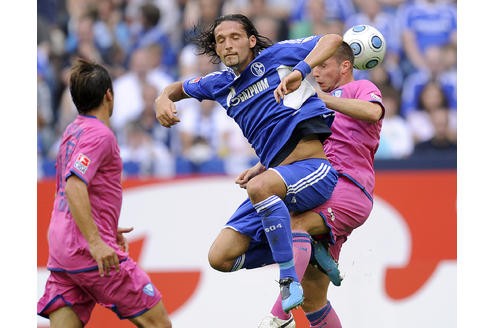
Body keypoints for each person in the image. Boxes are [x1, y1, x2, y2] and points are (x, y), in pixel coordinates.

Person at [154, 13, 342, 312]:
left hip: (313, 170)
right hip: (273, 182)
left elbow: (333, 39)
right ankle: (305, 245)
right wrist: (162, 97)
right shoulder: (218, 84)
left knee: (258, 186)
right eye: (220, 40)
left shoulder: (277, 56)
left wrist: (300, 71)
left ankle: (288, 279)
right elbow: (178, 88)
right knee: (220, 258)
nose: (228, 45)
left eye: (235, 37)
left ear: (251, 41)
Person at [256, 42, 385, 327]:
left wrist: (321, 98)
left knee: (296, 225)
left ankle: (278, 318)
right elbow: (300, 143)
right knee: (314, 297)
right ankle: (316, 251)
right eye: (313, 67)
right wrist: (259, 167)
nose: (316, 72)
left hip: (349, 188)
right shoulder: (315, 102)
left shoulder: (359, 88)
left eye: (323, 65)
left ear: (345, 66)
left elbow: (373, 112)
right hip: (322, 185)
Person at [37, 59, 172, 328]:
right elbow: (75, 185)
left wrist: (104, 226)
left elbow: (71, 187)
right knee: (159, 324)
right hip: (87, 250)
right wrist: (96, 240)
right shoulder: (100, 135)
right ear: (108, 95)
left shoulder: (72, 131)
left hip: (62, 250)